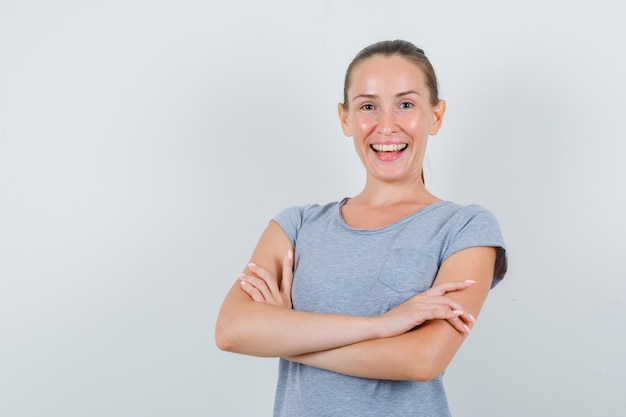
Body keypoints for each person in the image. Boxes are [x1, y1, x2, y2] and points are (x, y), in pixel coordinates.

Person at [215, 39, 507, 417]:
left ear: (435, 116)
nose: (386, 125)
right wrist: (383, 326)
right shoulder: (297, 226)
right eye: (368, 106)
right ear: (345, 118)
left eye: (406, 104)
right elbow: (231, 330)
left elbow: (422, 359)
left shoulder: (465, 228)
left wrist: (283, 335)